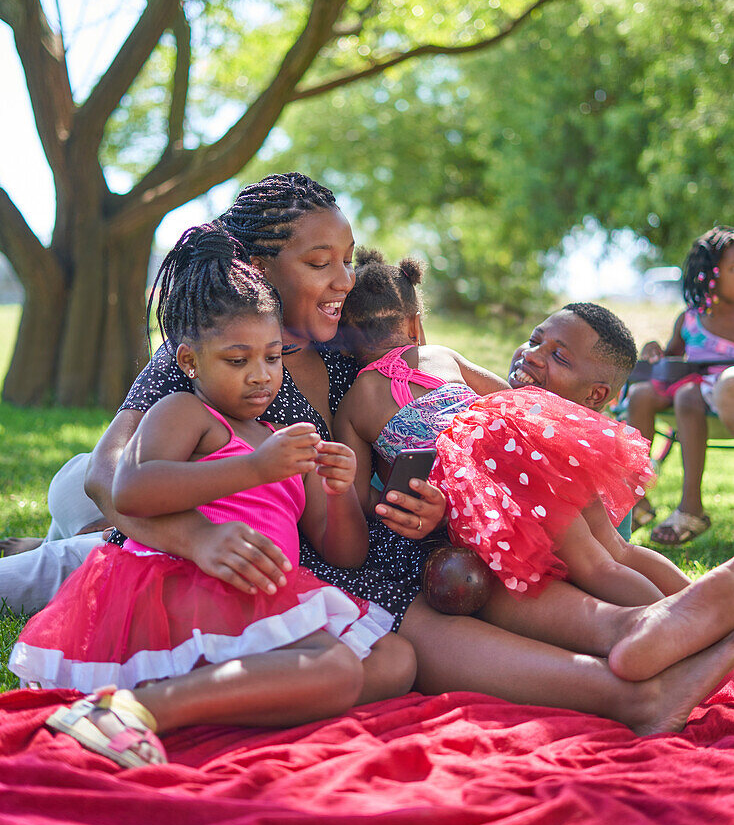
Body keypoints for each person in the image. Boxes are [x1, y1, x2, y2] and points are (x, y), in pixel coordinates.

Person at [7, 174, 734, 736]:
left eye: (348, 260)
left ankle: (636, 635)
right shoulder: (217, 352)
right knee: (412, 626)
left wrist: (438, 500)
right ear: (258, 269)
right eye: (320, 263)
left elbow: (432, 421)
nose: (344, 281)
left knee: (475, 588)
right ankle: (629, 688)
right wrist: (197, 534)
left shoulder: (354, 348)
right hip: (290, 568)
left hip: (391, 550)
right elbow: (112, 475)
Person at [10, 223, 413, 768]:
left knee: (395, 660)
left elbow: (342, 552)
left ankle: (220, 699)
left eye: (272, 358)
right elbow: (131, 488)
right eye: (236, 359)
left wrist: (339, 491)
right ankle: (131, 709)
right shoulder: (186, 415)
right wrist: (253, 468)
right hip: (181, 584)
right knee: (339, 669)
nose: (260, 377)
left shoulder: (279, 441)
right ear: (190, 363)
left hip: (260, 588)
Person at [334, 248, 689, 613]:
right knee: (616, 552)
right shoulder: (441, 355)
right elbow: (510, 398)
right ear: (414, 325)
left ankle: (681, 625)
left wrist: (395, 500)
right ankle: (701, 602)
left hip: (484, 486)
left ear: (341, 346)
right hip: (526, 453)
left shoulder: (350, 407)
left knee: (597, 569)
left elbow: (358, 496)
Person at [626, 226, 734, 545]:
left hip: (724, 396)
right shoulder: (690, 319)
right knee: (641, 393)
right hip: (695, 389)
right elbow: (671, 361)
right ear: (708, 275)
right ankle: (636, 497)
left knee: (688, 394)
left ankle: (691, 507)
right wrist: (653, 349)